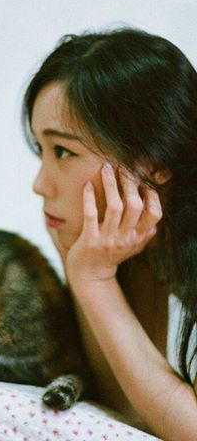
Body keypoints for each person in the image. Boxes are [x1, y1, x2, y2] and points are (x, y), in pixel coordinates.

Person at [22, 26, 197, 440]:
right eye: (41, 151)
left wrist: (94, 281)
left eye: (63, 151)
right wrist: (86, 274)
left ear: (155, 163)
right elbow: (126, 406)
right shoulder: (138, 249)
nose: (40, 184)